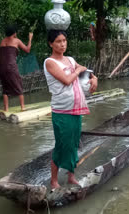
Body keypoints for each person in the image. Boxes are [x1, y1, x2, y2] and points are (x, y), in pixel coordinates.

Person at [44, 30, 98, 189]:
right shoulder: (50, 62)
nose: (62, 44)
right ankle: (53, 180)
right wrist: (78, 70)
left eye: (64, 41)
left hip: (76, 108)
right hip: (62, 110)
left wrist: (94, 78)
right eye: (58, 41)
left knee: (74, 143)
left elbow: (86, 72)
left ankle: (70, 176)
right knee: (62, 144)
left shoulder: (70, 59)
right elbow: (67, 80)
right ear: (51, 44)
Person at [0, 25, 33, 111]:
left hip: (1, 67)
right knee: (18, 84)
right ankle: (22, 107)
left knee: (5, 87)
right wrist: (30, 38)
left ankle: (6, 108)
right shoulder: (16, 41)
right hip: (11, 67)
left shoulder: (2, 41)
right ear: (14, 33)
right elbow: (27, 50)